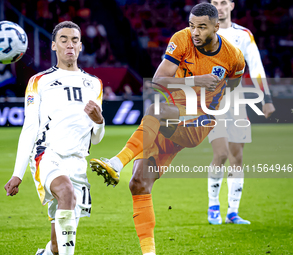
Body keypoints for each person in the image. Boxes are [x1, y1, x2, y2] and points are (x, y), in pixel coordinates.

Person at [90, 3, 245, 255]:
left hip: (199, 121)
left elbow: (234, 85)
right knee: (138, 183)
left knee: (155, 110)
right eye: (192, 25)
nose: (195, 32)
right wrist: (196, 81)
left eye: (202, 27)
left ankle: (116, 163)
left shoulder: (233, 56)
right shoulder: (181, 39)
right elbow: (158, 81)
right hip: (170, 122)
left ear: (217, 27)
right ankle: (149, 253)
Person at [4, 21, 105, 255]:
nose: (70, 44)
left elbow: (97, 138)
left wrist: (99, 121)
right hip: (47, 154)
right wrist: (17, 174)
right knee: (66, 192)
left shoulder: (94, 84)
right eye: (64, 40)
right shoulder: (39, 81)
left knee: (58, 246)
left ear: (80, 46)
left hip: (78, 161)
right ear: (53, 46)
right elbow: (30, 127)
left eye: (75, 40)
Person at [206, 0, 276, 225]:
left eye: (223, 2)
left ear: (232, 6)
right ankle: (213, 206)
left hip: (237, 102)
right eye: (215, 2)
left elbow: (256, 67)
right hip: (212, 104)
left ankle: (232, 212)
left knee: (237, 158)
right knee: (221, 154)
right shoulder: (200, 32)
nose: (220, 6)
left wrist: (267, 98)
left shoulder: (243, 35)